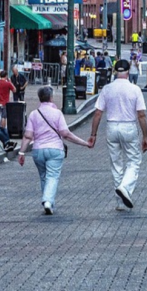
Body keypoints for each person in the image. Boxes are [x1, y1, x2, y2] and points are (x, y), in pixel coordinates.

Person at [18, 86, 92, 215]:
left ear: (39, 98)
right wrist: (84, 143)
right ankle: (47, 201)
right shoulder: (57, 113)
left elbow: (28, 136)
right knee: (52, 176)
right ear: (51, 98)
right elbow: (66, 134)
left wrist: (21, 152)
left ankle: (49, 203)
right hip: (55, 149)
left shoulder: (34, 114)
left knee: (43, 177)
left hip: (38, 150)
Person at [89, 59, 147, 210]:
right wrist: (145, 136)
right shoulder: (135, 89)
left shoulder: (107, 89)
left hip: (111, 126)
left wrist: (93, 134)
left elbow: (97, 113)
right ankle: (125, 187)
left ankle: (120, 202)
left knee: (116, 163)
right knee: (134, 161)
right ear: (128, 72)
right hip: (128, 126)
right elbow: (141, 115)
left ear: (115, 72)